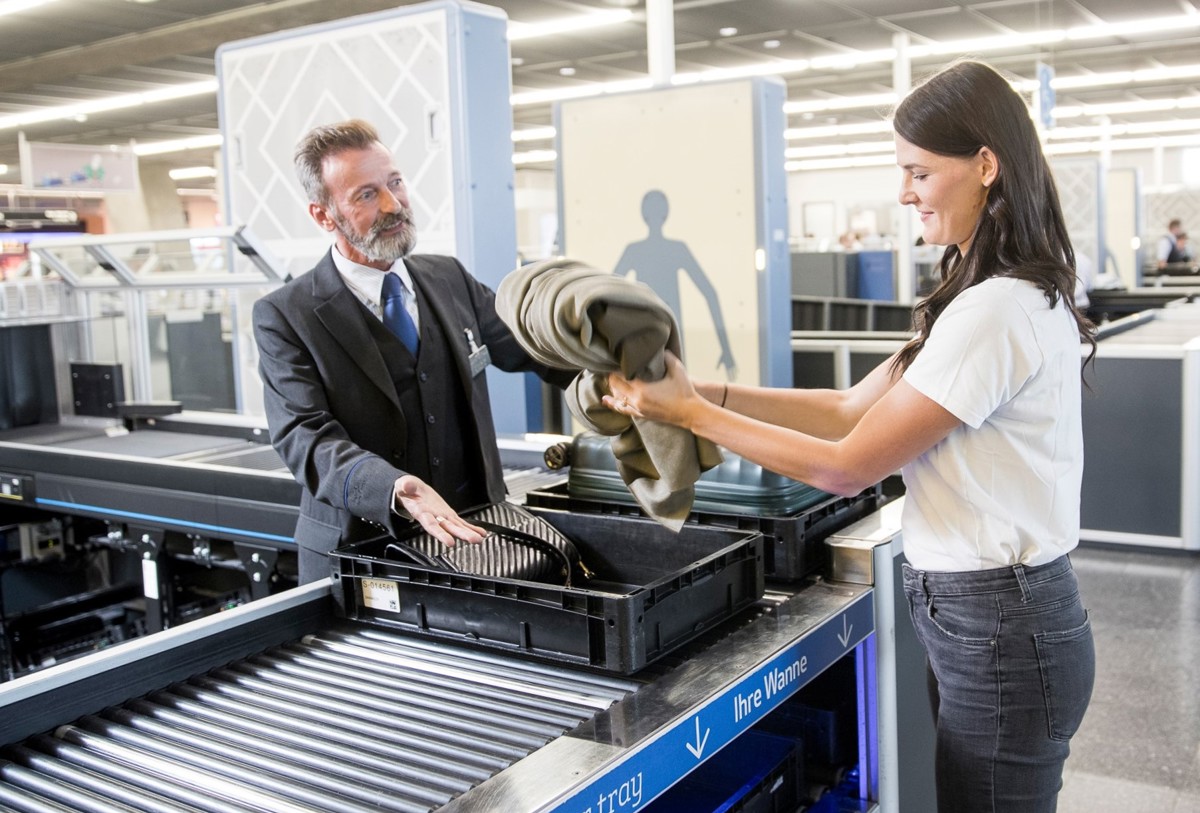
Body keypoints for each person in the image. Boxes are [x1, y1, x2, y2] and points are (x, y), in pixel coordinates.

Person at [604, 61, 1096, 813]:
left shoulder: (996, 310)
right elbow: (843, 408)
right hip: (989, 617)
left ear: (985, 166)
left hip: (1001, 622)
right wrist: (700, 387)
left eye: (918, 172)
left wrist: (689, 417)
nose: (903, 193)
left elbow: (845, 464)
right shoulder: (982, 295)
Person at [253, 119, 576, 583]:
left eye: (395, 183)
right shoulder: (287, 315)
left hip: (476, 538)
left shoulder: (449, 278)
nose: (393, 204)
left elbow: (532, 347)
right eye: (366, 195)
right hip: (360, 557)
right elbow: (305, 438)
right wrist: (393, 487)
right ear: (324, 216)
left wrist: (621, 379)